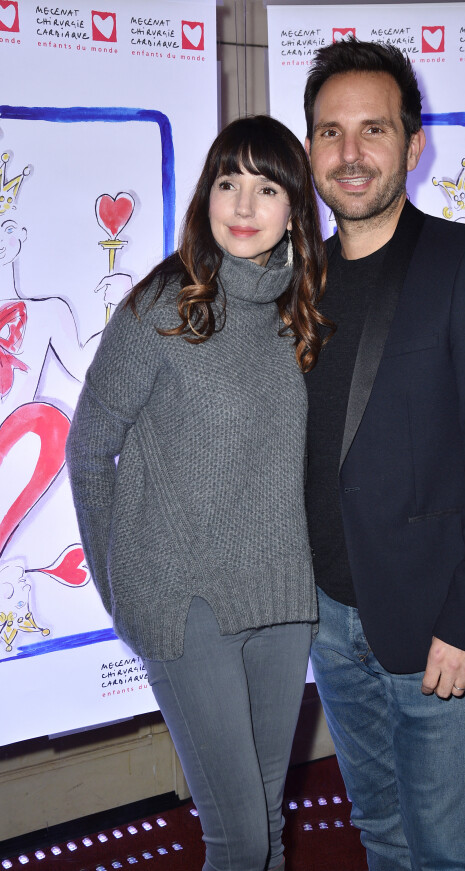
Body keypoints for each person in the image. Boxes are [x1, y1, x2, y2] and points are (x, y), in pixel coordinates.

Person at [66, 115, 329, 871]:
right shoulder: (164, 306)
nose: (243, 205)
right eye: (227, 181)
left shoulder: (298, 311)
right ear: (205, 194)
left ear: (293, 209)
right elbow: (89, 447)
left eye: (267, 186)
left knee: (271, 831)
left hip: (282, 604)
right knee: (239, 840)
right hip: (189, 609)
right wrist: (126, 595)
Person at [303, 40, 465, 871]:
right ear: (310, 153)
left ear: (413, 143)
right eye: (330, 133)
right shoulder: (301, 281)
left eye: (374, 129)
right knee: (381, 833)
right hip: (329, 620)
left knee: (445, 853)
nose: (351, 153)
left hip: (438, 623)